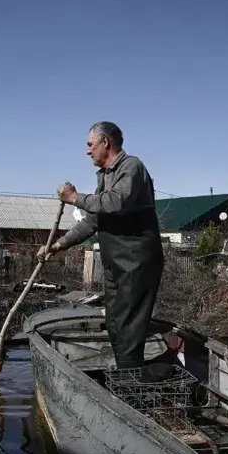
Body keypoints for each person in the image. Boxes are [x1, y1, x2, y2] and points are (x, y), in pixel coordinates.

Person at [38, 121, 163, 370]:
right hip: (116, 265)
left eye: (90, 144)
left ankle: (130, 387)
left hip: (135, 265)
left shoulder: (131, 167)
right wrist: (57, 245)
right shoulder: (106, 177)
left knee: (128, 329)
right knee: (116, 325)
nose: (87, 151)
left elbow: (116, 203)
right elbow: (93, 220)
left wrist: (75, 198)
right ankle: (129, 375)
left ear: (106, 143)